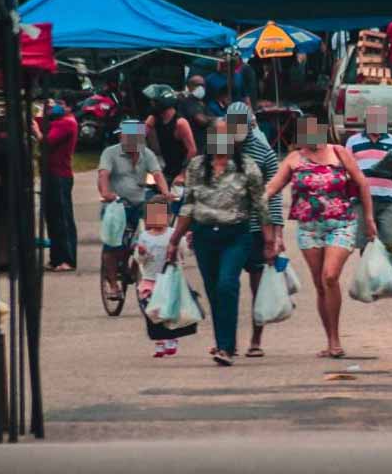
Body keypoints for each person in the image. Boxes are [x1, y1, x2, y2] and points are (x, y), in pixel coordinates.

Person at [265, 116, 375, 359]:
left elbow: (363, 183)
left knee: (330, 276)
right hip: (309, 228)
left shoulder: (339, 152)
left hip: (342, 223)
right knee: (320, 286)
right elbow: (273, 187)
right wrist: (255, 201)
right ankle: (330, 339)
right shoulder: (294, 159)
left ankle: (336, 340)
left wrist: (368, 218)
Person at [166, 119, 268, 367]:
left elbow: (261, 206)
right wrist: (174, 239)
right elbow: (188, 204)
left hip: (236, 234)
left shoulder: (247, 167)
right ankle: (224, 341)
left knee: (227, 284)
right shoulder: (197, 167)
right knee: (214, 291)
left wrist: (271, 240)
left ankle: (226, 347)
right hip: (204, 236)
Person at [226, 102, 284, 358]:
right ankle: (226, 340)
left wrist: (276, 235)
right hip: (225, 228)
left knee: (257, 287)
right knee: (225, 286)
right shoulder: (219, 150)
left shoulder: (264, 154)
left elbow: (275, 197)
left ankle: (256, 338)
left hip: (254, 230)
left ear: (250, 124)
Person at [98, 120, 170, 297]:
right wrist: (106, 192)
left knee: (154, 229)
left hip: (139, 202)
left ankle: (140, 267)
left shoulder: (147, 154)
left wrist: (165, 192)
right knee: (113, 244)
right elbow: (103, 175)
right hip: (116, 204)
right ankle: (114, 285)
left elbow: (157, 174)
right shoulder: (110, 153)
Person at [132, 196, 193, 358]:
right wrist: (141, 253)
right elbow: (139, 259)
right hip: (150, 280)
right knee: (153, 312)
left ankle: (171, 337)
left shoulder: (174, 234)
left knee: (169, 310)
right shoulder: (145, 236)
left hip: (171, 280)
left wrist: (188, 242)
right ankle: (159, 340)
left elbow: (184, 251)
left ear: (169, 216)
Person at [345, 106, 392, 255]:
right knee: (365, 243)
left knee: (390, 242)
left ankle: (390, 275)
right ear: (365, 121)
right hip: (361, 199)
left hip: (387, 197)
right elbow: (347, 168)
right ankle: (369, 276)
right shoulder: (353, 141)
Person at [32, 100, 79, 272]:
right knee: (52, 218)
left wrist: (37, 131)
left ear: (68, 107)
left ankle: (67, 258)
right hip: (51, 173)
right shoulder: (57, 122)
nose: (53, 108)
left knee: (61, 218)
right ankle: (56, 258)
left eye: (59, 104)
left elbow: (47, 141)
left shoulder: (67, 123)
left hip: (60, 175)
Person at [145, 90, 197, 187]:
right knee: (153, 194)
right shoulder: (155, 118)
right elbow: (138, 135)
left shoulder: (180, 123)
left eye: (154, 102)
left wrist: (182, 174)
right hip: (168, 168)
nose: (152, 105)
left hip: (183, 171)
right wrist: (128, 128)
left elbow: (192, 150)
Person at [179, 75, 213, 156]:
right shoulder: (188, 102)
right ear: (189, 87)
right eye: (197, 85)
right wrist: (216, 120)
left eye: (203, 85)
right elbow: (201, 120)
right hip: (195, 145)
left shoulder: (202, 103)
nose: (201, 88)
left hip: (205, 145)